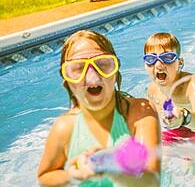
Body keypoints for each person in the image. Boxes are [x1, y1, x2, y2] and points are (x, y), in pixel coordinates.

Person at [38, 30, 161, 186]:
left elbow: (152, 182)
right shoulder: (64, 127)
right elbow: (46, 176)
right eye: (77, 68)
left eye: (102, 64)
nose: (92, 76)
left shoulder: (140, 113)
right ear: (67, 82)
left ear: (115, 73)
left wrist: (112, 168)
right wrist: (72, 175)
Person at [143, 32, 195, 144]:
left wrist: (184, 117)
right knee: (158, 156)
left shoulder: (191, 83)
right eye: (150, 59)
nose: (158, 65)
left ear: (180, 63)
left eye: (167, 57)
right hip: (178, 128)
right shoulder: (152, 90)